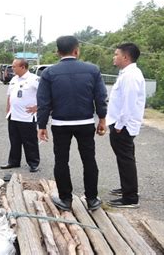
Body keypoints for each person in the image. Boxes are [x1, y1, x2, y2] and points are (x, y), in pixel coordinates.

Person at [37, 35, 108, 211]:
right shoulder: (92, 70)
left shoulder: (49, 73)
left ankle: (66, 200)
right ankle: (92, 199)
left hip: (60, 124)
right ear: (77, 50)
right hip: (85, 123)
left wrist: (41, 126)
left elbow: (44, 102)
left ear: (57, 52)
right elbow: (100, 97)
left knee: (61, 161)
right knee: (89, 159)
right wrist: (102, 119)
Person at [106, 43, 146, 208]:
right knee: (126, 158)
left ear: (126, 57)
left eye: (116, 54)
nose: (114, 57)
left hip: (123, 125)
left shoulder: (130, 75)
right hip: (121, 123)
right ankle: (127, 188)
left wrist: (119, 124)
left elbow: (128, 103)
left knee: (125, 159)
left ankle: (130, 198)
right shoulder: (127, 73)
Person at [0, 58, 41, 172]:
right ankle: (13, 161)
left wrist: (38, 107)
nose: (12, 69)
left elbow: (46, 95)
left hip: (27, 117)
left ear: (22, 67)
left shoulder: (34, 79)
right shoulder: (14, 79)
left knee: (30, 142)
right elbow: (10, 96)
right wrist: (8, 110)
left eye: (14, 66)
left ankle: (33, 163)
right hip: (13, 116)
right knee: (14, 140)